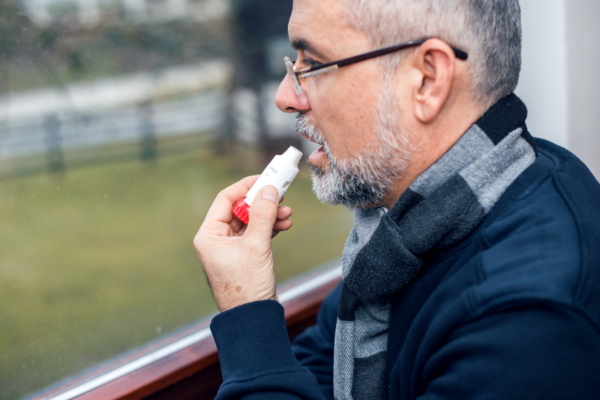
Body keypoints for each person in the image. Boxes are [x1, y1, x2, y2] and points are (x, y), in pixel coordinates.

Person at [193, 0, 600, 398]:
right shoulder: (410, 228)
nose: (286, 96)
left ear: (427, 78)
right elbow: (320, 366)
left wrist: (246, 309)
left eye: (312, 63)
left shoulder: (528, 323)